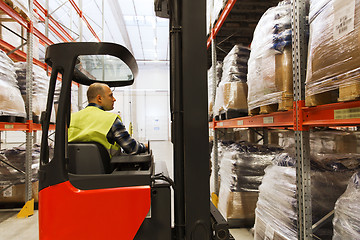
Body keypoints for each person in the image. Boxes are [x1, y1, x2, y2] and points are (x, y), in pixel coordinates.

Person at [68, 82, 147, 157]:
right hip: (106, 170)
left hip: (72, 170)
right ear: (99, 98)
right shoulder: (111, 119)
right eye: (110, 95)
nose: (114, 99)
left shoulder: (70, 119)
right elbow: (132, 148)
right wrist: (145, 145)